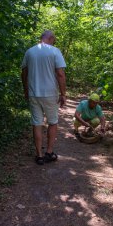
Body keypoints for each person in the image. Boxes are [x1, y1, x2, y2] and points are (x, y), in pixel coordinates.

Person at [21, 30, 67, 165]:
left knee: (37, 123)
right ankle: (49, 152)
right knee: (52, 122)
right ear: (51, 38)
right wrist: (63, 94)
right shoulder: (54, 51)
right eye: (54, 40)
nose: (54, 42)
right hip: (50, 94)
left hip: (33, 93)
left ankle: (39, 156)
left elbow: (24, 73)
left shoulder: (30, 52)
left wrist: (26, 90)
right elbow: (60, 74)